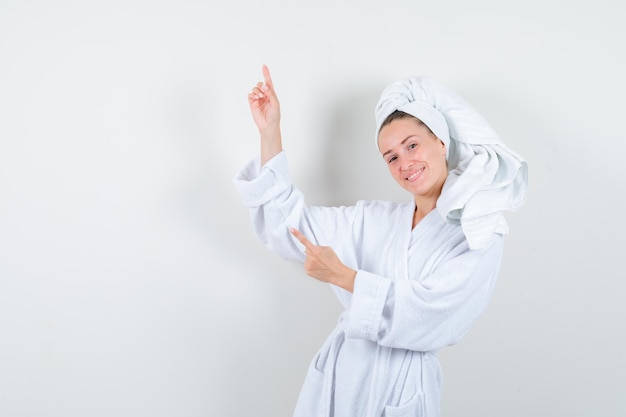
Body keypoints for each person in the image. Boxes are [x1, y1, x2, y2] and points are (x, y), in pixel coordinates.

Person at [234, 65, 528, 417]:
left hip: (401, 387)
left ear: (441, 141)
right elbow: (290, 229)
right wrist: (271, 134)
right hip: (341, 378)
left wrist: (344, 276)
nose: (405, 162)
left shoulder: (478, 232)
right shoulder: (373, 220)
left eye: (412, 145)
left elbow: (430, 316)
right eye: (392, 157)